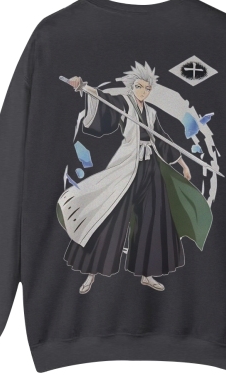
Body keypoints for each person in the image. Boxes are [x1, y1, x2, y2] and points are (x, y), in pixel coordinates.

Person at [57, 62, 212, 294]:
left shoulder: (151, 113)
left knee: (153, 219)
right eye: (139, 86)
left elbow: (163, 139)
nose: (143, 91)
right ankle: (91, 274)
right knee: (109, 215)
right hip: (128, 167)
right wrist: (83, 87)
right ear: (132, 87)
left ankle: (147, 275)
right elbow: (104, 100)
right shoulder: (123, 104)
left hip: (151, 168)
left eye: (147, 88)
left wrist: (183, 164)